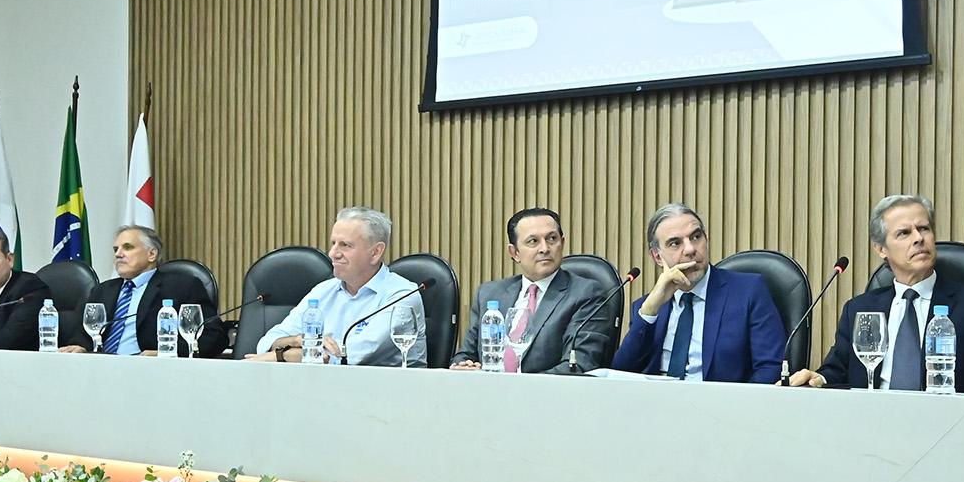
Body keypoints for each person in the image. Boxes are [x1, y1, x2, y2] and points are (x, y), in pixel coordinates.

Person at [790, 194, 964, 392]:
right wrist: (818, 379)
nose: (918, 238)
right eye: (904, 233)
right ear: (881, 249)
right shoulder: (859, 309)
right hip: (871, 417)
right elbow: (838, 372)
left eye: (924, 228)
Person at [609, 203, 784, 384]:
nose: (691, 249)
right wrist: (649, 310)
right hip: (659, 407)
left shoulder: (748, 292)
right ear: (657, 257)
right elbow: (619, 378)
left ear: (706, 239)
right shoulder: (647, 307)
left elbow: (770, 368)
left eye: (696, 237)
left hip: (723, 408)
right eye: (675, 243)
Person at [249, 207, 428, 366]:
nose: (333, 253)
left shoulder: (402, 295)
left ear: (375, 252)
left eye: (345, 245)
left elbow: (350, 356)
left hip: (388, 395)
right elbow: (267, 342)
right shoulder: (323, 291)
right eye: (333, 243)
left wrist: (283, 356)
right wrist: (296, 340)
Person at [451, 207, 618, 373]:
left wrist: (520, 389)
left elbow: (577, 365)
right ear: (515, 252)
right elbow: (467, 354)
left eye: (552, 238)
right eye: (533, 241)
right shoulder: (490, 294)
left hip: (550, 396)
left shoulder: (587, 294)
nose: (544, 248)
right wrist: (463, 365)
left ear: (563, 242)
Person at [59, 225, 223, 357]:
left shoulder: (182, 287)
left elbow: (213, 336)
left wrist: (168, 352)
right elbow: (81, 332)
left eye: (127, 247)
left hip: (150, 372)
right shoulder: (102, 290)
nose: (118, 254)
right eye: (116, 249)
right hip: (101, 369)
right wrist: (79, 346)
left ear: (152, 254)